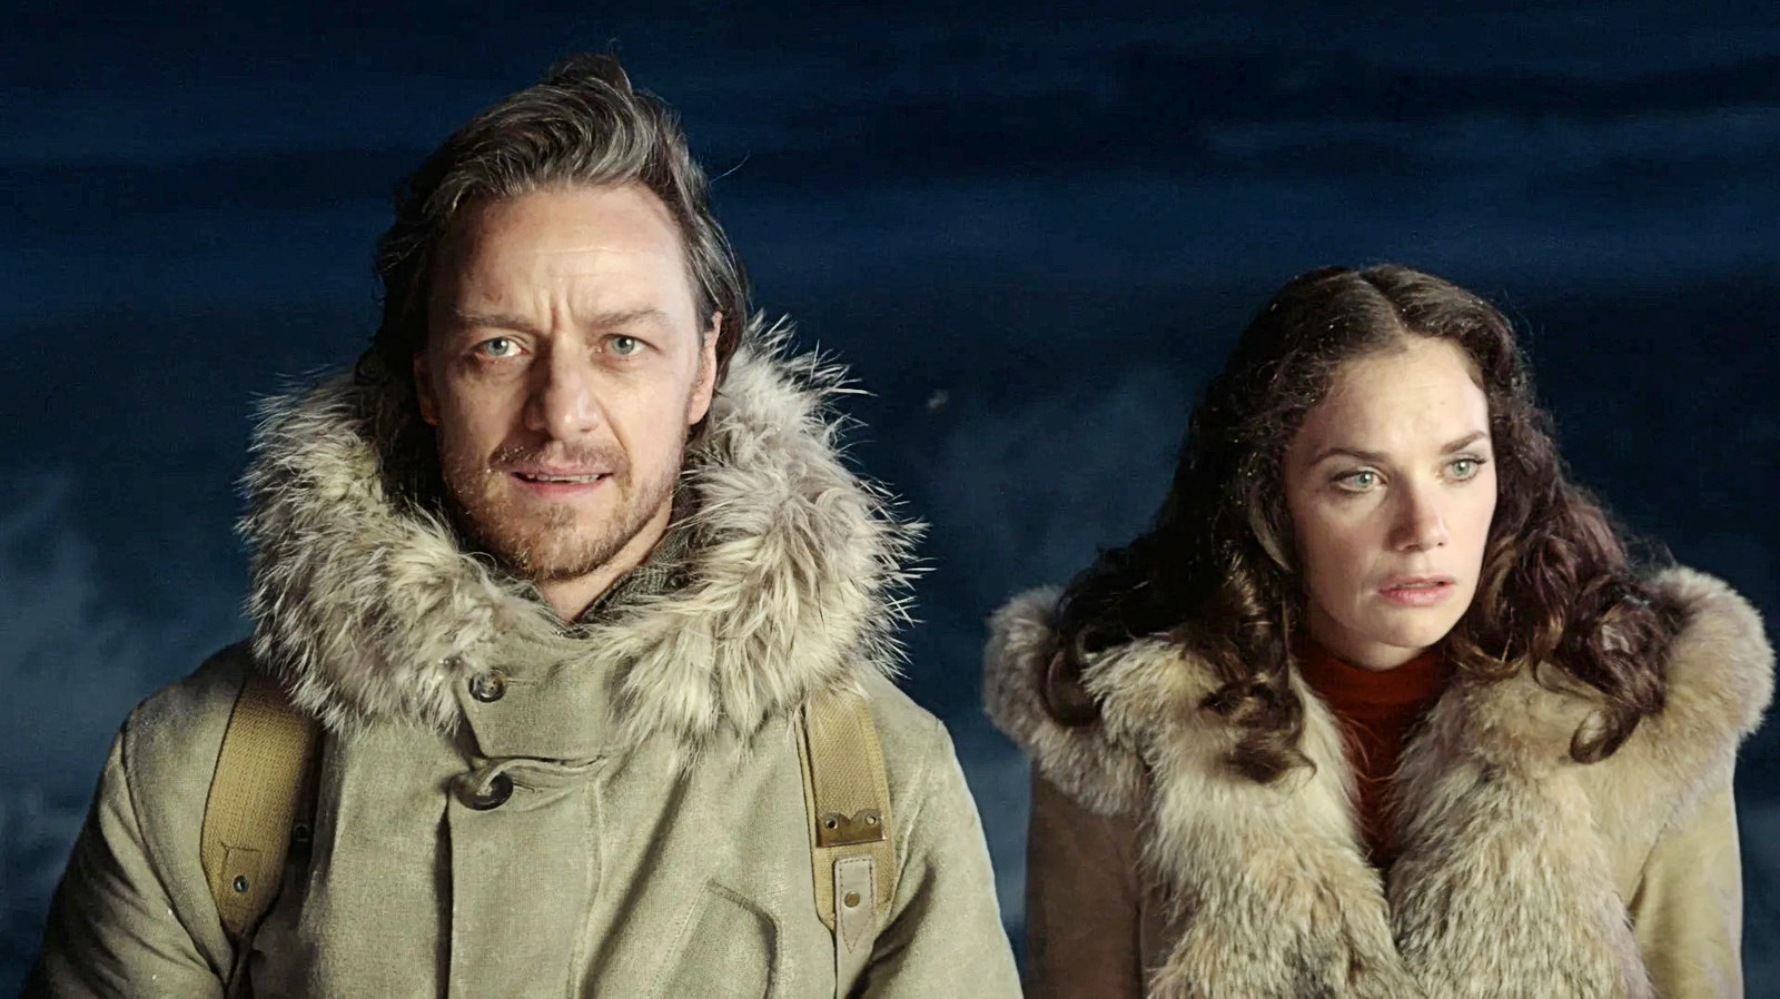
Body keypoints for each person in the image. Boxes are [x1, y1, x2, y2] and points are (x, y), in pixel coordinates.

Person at [30, 53, 1020, 997]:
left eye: (621, 343)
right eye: (499, 347)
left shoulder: (878, 784)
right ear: (427, 377)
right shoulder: (201, 772)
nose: (561, 414)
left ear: (705, 367)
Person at [985, 264, 1772, 998]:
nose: (1424, 528)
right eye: (1359, 478)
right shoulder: (1118, 728)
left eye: (1460, 466)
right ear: (1270, 502)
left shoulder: (1643, 706)